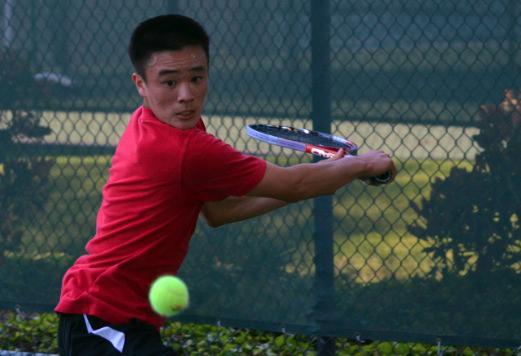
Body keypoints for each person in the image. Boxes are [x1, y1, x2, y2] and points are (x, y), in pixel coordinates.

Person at [55, 14, 396, 355]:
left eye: (196, 77)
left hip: (121, 319)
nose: (186, 94)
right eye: (169, 82)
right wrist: (362, 163)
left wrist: (309, 183)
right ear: (140, 84)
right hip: (100, 317)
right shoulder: (186, 150)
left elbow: (220, 211)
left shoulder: (154, 122)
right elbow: (295, 183)